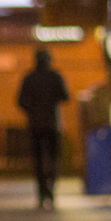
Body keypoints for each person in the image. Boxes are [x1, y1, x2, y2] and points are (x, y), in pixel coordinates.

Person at [16, 48, 70, 209]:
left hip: (35, 125)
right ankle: (51, 190)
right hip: (52, 124)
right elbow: (65, 96)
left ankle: (41, 192)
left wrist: (32, 110)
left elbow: (20, 101)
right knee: (54, 158)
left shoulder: (29, 78)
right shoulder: (55, 76)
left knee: (38, 160)